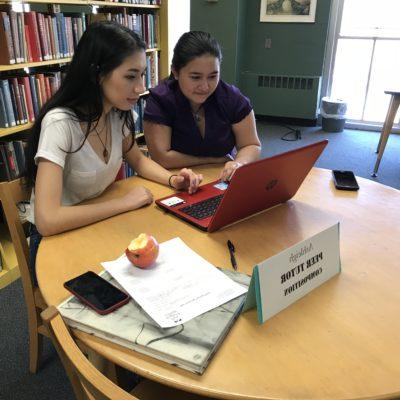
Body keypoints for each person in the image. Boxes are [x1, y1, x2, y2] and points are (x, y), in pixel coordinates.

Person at [25, 21, 202, 275]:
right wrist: (125, 203)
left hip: (96, 223)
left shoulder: (116, 114)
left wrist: (174, 179)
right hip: (55, 243)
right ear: (98, 74)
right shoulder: (60, 124)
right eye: (131, 76)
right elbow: (47, 221)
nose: (141, 87)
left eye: (142, 75)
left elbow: (139, 161)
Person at [143, 31, 261, 182]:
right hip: (174, 180)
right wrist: (214, 159)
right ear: (176, 72)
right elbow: (162, 158)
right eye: (195, 77)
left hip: (220, 179)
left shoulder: (232, 98)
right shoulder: (161, 100)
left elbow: (251, 144)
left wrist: (239, 163)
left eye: (213, 76)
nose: (205, 86)